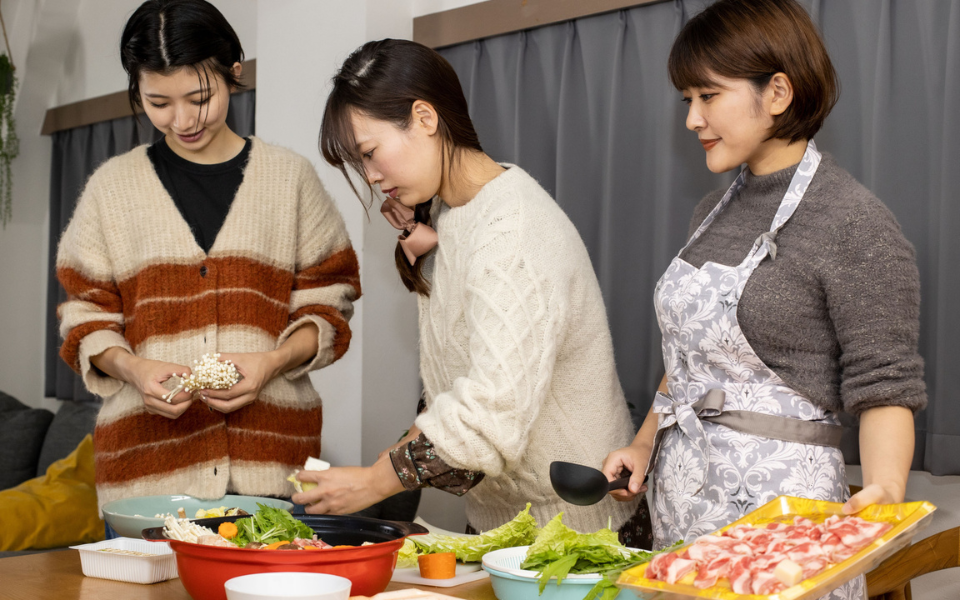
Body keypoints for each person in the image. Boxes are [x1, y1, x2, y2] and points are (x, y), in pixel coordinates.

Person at [601, 0, 926, 597]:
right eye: (686, 100)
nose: (692, 119)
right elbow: (688, 357)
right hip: (681, 502)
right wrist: (645, 442)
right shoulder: (711, 211)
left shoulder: (855, 223)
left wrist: (885, 488)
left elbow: (885, 382)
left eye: (708, 96)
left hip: (784, 516)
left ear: (777, 92)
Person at [293, 38, 650, 544]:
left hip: (581, 529)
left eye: (370, 154)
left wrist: (375, 482)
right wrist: (380, 469)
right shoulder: (452, 215)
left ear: (425, 117)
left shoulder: (512, 231)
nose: (371, 178)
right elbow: (456, 391)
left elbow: (489, 412)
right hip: (505, 525)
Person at [56, 0, 360, 516]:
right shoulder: (111, 190)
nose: (182, 120)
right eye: (158, 102)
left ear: (233, 71)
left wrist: (272, 362)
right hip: (145, 484)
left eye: (200, 97)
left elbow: (329, 307)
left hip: (271, 474)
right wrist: (133, 368)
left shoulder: (290, 181)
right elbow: (84, 319)